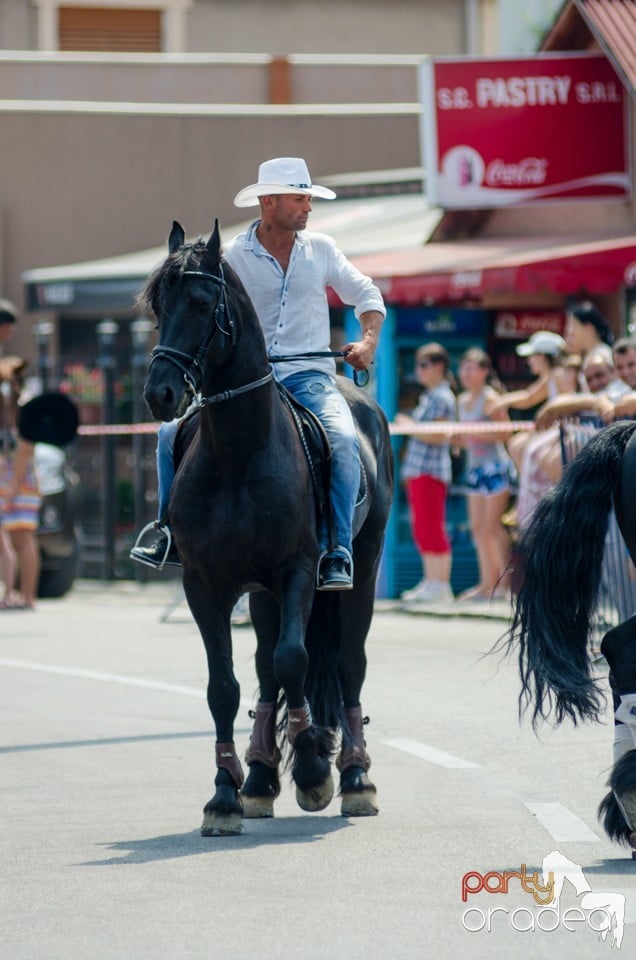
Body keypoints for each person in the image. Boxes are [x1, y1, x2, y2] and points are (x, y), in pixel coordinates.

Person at [132, 157, 385, 590]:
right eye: (298, 198)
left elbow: (366, 292)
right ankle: (167, 532)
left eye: (308, 198)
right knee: (167, 435)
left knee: (343, 439)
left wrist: (367, 341)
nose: (307, 207)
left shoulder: (321, 248)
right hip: (245, 384)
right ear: (269, 202)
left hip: (310, 378)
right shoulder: (229, 258)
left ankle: (338, 549)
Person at [395, 343, 456, 604]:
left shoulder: (442, 396)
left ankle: (440, 584)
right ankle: (431, 581)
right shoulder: (431, 396)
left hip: (431, 471)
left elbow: (440, 435)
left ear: (439, 366)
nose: (418, 370)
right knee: (422, 528)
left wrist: (410, 426)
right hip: (421, 471)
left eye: (424, 364)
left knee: (432, 528)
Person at [453, 348, 514, 601]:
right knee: (478, 529)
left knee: (493, 527)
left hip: (495, 468)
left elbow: (506, 432)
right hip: (474, 469)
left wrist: (475, 434)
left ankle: (504, 585)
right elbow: (467, 439)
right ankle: (486, 584)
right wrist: (458, 441)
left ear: (484, 372)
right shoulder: (462, 400)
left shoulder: (489, 398)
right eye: (462, 368)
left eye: (470, 369)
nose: (464, 374)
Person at [0, 356, 41, 609]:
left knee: (23, 539)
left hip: (21, 481)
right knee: (13, 540)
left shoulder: (24, 406)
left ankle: (27, 596)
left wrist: (13, 486)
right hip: (11, 479)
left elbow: (25, 448)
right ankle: (16, 593)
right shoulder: (10, 408)